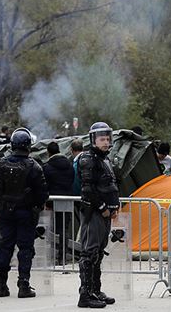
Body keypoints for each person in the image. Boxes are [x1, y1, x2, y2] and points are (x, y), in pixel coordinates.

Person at [0, 127, 49, 298]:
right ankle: (24, 284)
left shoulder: (0, 164)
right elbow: (43, 194)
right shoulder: (34, 166)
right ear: (28, 145)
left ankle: (1, 284)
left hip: (6, 212)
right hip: (26, 213)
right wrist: (36, 206)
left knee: (5, 247)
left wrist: (2, 204)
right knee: (25, 249)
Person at [78, 122, 120, 308]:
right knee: (89, 253)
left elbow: (110, 185)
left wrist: (114, 205)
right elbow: (88, 190)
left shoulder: (105, 159)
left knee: (99, 253)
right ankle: (85, 294)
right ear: (93, 140)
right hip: (93, 212)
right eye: (102, 139)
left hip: (105, 213)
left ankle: (95, 289)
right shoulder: (88, 159)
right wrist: (102, 206)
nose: (106, 142)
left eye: (107, 138)